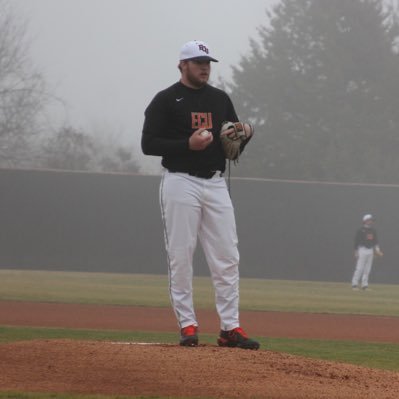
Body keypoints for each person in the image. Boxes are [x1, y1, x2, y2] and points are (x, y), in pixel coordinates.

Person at [141, 40, 259, 350]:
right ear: (182, 65)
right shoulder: (166, 100)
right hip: (181, 181)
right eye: (197, 62)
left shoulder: (220, 99)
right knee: (181, 255)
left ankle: (230, 328)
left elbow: (229, 141)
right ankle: (188, 324)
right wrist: (186, 145)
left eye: (207, 62)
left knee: (227, 257)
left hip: (216, 183)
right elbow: (148, 144)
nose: (204, 67)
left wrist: (242, 136)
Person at [351, 214, 383, 290]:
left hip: (370, 250)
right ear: (365, 221)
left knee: (367, 269)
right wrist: (356, 252)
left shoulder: (373, 230)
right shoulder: (360, 230)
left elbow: (375, 242)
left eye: (371, 220)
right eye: (369, 220)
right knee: (359, 268)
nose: (371, 221)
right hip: (362, 250)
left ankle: (364, 285)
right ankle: (354, 284)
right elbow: (356, 242)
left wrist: (378, 251)